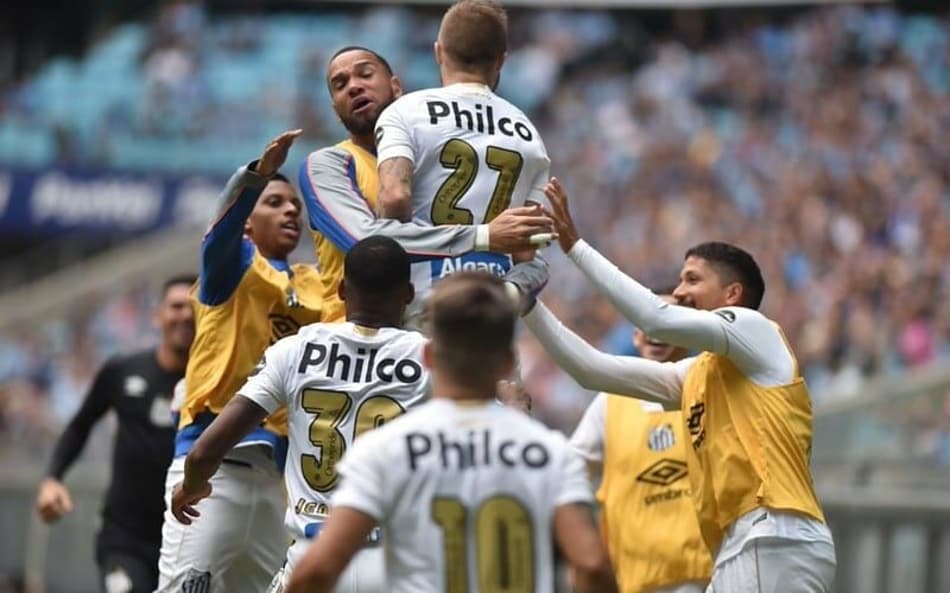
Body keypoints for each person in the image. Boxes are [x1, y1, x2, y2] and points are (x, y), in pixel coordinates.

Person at [525, 178, 835, 593]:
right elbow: (591, 370)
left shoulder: (756, 331)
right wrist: (527, 300)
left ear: (732, 293)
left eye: (692, 279)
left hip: (770, 533)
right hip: (741, 545)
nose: (679, 291)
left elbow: (656, 318)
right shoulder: (696, 374)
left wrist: (575, 247)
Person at [284, 272, 617, 593]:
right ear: (508, 361)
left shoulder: (385, 451)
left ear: (428, 356)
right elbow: (591, 565)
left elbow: (317, 570)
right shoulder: (550, 453)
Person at [170, 236, 428, 593]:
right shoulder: (432, 358)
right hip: (396, 564)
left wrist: (193, 484)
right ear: (409, 294)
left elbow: (206, 450)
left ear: (340, 290)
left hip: (313, 560)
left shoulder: (296, 350)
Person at [155, 131, 323, 593]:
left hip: (281, 480)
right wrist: (254, 177)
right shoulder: (233, 267)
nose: (291, 210)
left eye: (295, 204)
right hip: (213, 469)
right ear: (247, 222)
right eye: (274, 202)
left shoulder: (317, 286)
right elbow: (220, 229)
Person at [300, 45, 553, 323]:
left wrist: (509, 291)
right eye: (340, 84)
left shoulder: (432, 164)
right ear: (336, 110)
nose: (354, 87)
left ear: (396, 87)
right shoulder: (329, 164)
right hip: (353, 344)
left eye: (366, 74)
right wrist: (482, 237)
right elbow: (365, 242)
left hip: (438, 333)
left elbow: (528, 258)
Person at [374, 0, 553, 324]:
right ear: (501, 60)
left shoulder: (406, 111)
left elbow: (394, 197)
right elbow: (528, 251)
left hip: (419, 303)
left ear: (439, 51)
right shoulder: (528, 133)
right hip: (488, 307)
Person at [35, 274, 196, 593]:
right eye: (176, 306)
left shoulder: (214, 384)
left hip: (188, 540)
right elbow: (80, 425)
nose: (186, 315)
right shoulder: (123, 371)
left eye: (194, 307)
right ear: (157, 315)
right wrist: (52, 478)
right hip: (126, 538)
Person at [568, 295, 712, 593]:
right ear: (635, 336)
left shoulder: (708, 392)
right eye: (647, 322)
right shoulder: (609, 402)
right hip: (634, 580)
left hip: (709, 577)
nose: (656, 330)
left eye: (666, 320)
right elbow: (571, 471)